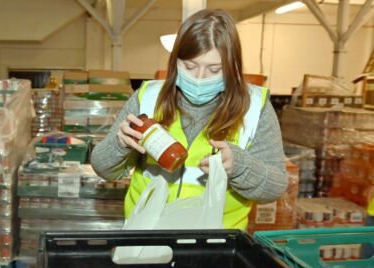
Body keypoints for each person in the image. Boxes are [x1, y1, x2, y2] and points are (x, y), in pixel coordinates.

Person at [91, 9, 287, 230]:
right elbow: (104, 169)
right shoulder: (147, 98)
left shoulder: (254, 109)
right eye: (190, 66)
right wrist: (120, 145)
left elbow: (275, 187)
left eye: (214, 69)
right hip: (145, 238)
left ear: (232, 68)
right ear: (176, 62)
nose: (200, 78)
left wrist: (240, 167)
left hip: (213, 245)